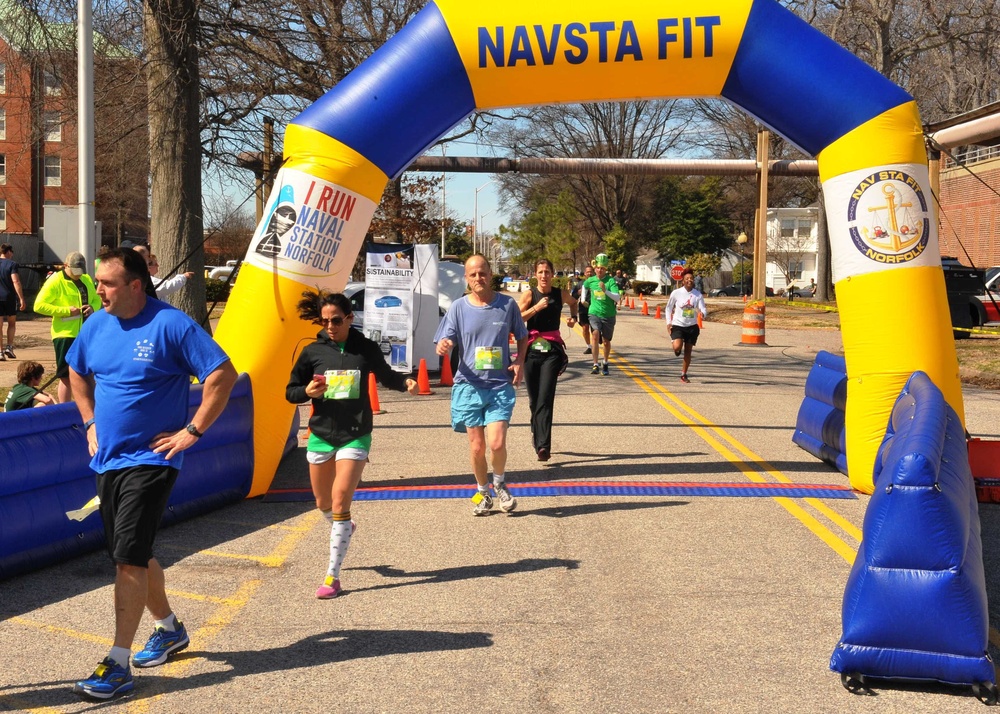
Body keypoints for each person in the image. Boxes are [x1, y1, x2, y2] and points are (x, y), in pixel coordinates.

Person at [67, 248, 238, 701]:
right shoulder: (96, 325)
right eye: (97, 282)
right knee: (133, 554)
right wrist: (88, 422)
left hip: (151, 461)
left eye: (106, 283)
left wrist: (191, 432)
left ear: (135, 286)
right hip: (107, 460)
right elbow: (77, 370)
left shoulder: (172, 325)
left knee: (126, 559)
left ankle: (118, 665)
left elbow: (223, 375)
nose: (97, 289)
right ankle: (169, 629)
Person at [285, 290, 418, 599]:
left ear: (349, 319)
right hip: (320, 433)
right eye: (325, 321)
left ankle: (332, 577)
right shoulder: (312, 352)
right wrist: (306, 391)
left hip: (356, 433)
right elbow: (290, 392)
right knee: (323, 503)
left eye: (336, 320)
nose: (330, 326)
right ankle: (345, 525)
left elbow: (386, 376)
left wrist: (406, 381)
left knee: (341, 498)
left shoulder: (365, 348)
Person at [434, 254, 528, 515]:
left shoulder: (507, 305)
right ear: (466, 278)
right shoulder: (458, 308)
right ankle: (482, 491)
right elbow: (445, 339)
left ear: (491, 273)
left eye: (482, 273)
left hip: (499, 385)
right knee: (477, 447)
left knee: (497, 444)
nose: (478, 278)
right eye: (473, 274)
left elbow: (522, 336)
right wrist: (444, 345)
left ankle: (500, 484)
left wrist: (519, 360)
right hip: (468, 385)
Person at [518, 258, 578, 462]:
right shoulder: (529, 295)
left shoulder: (559, 294)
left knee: (545, 398)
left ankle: (543, 447)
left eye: (547, 272)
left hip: (552, 350)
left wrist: (573, 318)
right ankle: (537, 436)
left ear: (553, 274)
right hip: (530, 351)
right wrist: (536, 308)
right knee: (534, 401)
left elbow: (574, 302)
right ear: (535, 275)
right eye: (540, 272)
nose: (544, 275)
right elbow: (517, 319)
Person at [33, 251, 102, 403]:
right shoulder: (55, 281)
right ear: (65, 266)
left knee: (87, 372)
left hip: (85, 333)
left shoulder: (86, 279)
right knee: (65, 376)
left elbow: (97, 299)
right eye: (75, 271)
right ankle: (63, 409)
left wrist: (92, 307)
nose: (78, 275)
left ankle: (89, 404)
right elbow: (38, 306)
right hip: (65, 335)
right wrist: (65, 311)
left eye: (80, 271)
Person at [580, 253, 621, 375]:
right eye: (598, 268)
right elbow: (585, 287)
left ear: (605, 269)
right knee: (595, 334)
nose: (599, 270)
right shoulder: (591, 280)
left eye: (602, 268)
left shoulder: (610, 281)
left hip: (608, 315)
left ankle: (606, 362)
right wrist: (583, 299)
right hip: (594, 312)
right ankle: (595, 364)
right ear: (595, 268)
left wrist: (605, 290)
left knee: (606, 341)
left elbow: (617, 297)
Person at [666, 268, 708, 383]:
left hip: (692, 326)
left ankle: (683, 374)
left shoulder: (697, 295)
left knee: (688, 351)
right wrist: (668, 322)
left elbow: (703, 308)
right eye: (687, 278)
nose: (689, 280)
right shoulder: (676, 293)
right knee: (677, 347)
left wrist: (703, 313)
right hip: (678, 324)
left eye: (691, 278)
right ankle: (676, 348)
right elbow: (668, 308)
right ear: (683, 281)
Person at [0, 243, 27, 360]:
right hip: (9, 298)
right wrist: (21, 298)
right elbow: (15, 281)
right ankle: (9, 347)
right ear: (9, 252)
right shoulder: (12, 264)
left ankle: (0, 352)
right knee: (11, 323)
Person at [573, 264, 595, 353]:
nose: (589, 273)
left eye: (591, 271)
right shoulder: (580, 284)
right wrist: (578, 293)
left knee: (595, 330)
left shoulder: (596, 283)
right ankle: (589, 346)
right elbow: (573, 297)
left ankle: (596, 344)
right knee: (585, 328)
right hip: (583, 309)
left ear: (593, 272)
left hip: (595, 309)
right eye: (587, 272)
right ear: (585, 273)